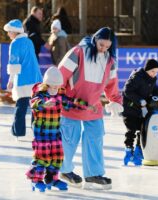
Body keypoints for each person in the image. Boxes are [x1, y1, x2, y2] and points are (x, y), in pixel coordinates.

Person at [58, 27, 123, 190]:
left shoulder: (109, 60)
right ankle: (64, 170)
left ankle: (93, 173)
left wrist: (115, 100)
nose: (103, 49)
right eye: (101, 45)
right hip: (71, 104)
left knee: (95, 138)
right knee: (69, 139)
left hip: (93, 108)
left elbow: (112, 84)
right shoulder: (78, 52)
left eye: (107, 47)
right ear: (95, 39)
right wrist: (55, 95)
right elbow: (61, 74)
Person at [25, 66, 96, 192]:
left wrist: (87, 106)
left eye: (57, 86)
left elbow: (71, 102)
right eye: (52, 86)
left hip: (55, 133)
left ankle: (51, 179)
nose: (55, 89)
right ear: (46, 84)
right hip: (41, 134)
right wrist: (43, 104)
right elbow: (34, 103)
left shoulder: (59, 95)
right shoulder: (39, 93)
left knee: (58, 156)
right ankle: (36, 180)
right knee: (42, 157)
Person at [4, 19, 43, 139]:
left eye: (9, 31)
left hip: (23, 79)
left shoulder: (15, 43)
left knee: (21, 106)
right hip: (35, 78)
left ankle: (18, 132)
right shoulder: (28, 41)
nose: (8, 34)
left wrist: (10, 80)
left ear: (14, 32)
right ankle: (37, 131)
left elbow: (14, 65)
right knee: (35, 107)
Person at [122, 59, 158, 166]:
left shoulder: (152, 79)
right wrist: (139, 100)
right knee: (131, 129)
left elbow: (155, 90)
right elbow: (127, 90)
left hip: (139, 108)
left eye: (156, 72)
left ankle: (138, 150)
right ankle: (128, 151)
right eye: (152, 71)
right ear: (147, 70)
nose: (154, 74)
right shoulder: (137, 77)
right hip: (129, 106)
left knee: (141, 128)